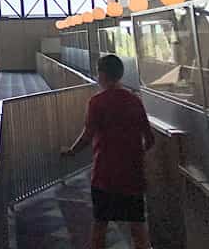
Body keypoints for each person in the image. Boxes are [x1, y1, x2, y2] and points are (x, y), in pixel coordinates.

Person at [62, 54, 154, 249]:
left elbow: (87, 136)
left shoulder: (96, 102)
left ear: (102, 75)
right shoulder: (134, 100)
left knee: (100, 227)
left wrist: (71, 151)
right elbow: (149, 138)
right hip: (132, 176)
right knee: (138, 229)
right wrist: (134, 156)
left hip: (105, 175)